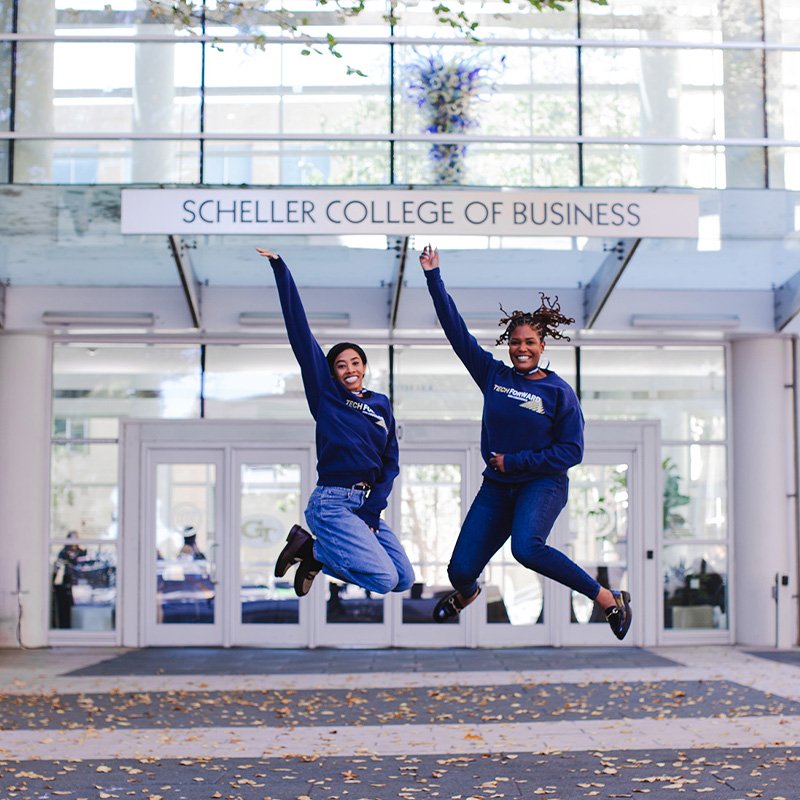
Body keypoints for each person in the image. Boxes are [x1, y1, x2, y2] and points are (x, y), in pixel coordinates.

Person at [419, 244, 632, 640]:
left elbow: (572, 451)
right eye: (516, 342)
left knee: (527, 548)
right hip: (497, 488)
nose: (522, 348)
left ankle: (606, 597)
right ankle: (466, 595)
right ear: (508, 345)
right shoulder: (493, 376)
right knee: (460, 570)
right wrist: (434, 277)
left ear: (542, 346)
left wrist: (515, 462)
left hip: (542, 483)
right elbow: (455, 330)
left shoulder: (558, 392)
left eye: (530, 342)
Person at [257, 248, 415, 599]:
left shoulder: (380, 404)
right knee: (384, 580)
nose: (350, 369)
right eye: (341, 365)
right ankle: (313, 551)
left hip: (365, 504)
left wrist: (373, 510)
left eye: (355, 362)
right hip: (332, 502)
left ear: (364, 366)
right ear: (332, 373)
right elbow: (299, 332)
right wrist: (281, 269)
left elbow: (390, 462)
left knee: (403, 578)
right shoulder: (326, 397)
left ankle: (311, 554)